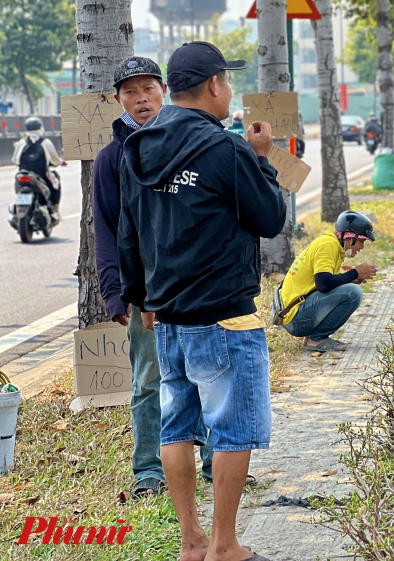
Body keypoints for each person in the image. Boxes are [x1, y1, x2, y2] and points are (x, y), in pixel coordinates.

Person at [119, 40, 286, 561]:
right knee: (232, 428)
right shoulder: (227, 149)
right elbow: (270, 219)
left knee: (178, 425)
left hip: (165, 316)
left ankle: (192, 541)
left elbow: (129, 233)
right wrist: (263, 159)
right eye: (227, 81)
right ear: (214, 84)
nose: (229, 90)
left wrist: (142, 298)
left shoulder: (138, 147)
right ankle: (225, 545)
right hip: (224, 315)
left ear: (171, 89)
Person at [93, 56, 192, 500]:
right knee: (148, 381)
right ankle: (148, 471)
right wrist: (117, 295)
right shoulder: (111, 158)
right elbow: (107, 229)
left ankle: (211, 460)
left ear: (164, 91)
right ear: (118, 100)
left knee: (201, 373)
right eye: (130, 92)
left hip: (192, 286)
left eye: (147, 89)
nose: (140, 99)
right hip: (143, 292)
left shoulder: (183, 144)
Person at [274, 211, 377, 352]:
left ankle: (313, 337)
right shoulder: (328, 245)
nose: (362, 247)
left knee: (350, 288)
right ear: (350, 237)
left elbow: (323, 283)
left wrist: (351, 278)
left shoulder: (330, 243)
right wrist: (355, 272)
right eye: (362, 241)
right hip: (295, 319)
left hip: (295, 315)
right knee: (354, 293)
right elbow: (323, 284)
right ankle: (317, 340)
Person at [13, 117, 63, 212]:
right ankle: (55, 210)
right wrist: (61, 162)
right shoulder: (45, 143)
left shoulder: (21, 143)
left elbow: (15, 160)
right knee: (56, 180)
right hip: (42, 176)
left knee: (17, 180)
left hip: (24, 176)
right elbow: (55, 160)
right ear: (41, 128)